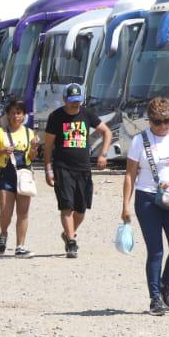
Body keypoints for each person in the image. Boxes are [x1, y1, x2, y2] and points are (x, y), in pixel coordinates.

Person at [122, 96, 169, 316]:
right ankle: (155, 298)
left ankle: (164, 285)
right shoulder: (139, 141)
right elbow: (130, 174)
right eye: (158, 122)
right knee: (156, 251)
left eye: (167, 121)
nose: (163, 126)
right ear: (150, 121)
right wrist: (125, 205)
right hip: (148, 199)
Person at [44, 83, 113, 260]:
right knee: (66, 205)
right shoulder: (56, 117)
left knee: (81, 209)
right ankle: (72, 242)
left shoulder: (87, 114)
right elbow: (49, 145)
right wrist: (48, 169)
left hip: (83, 168)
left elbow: (107, 132)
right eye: (72, 101)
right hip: (62, 167)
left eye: (78, 101)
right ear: (64, 99)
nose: (75, 104)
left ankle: (68, 233)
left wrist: (103, 154)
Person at [0, 99, 38, 257]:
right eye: (13, 113)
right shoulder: (0, 132)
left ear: (23, 115)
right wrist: (3, 151)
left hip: (24, 175)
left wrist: (35, 149)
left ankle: (20, 246)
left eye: (19, 113)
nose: (16, 116)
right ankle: (3, 233)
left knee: (23, 213)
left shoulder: (30, 133)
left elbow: (31, 157)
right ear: (7, 115)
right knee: (5, 212)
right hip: (6, 176)